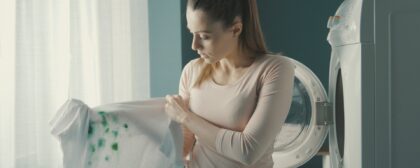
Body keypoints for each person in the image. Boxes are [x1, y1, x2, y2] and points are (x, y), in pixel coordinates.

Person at [164, 0, 295, 167]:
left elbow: (247, 151)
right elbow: (184, 146)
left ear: (236, 29)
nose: (194, 45)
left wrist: (185, 116)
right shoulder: (192, 70)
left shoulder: (275, 69)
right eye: (192, 33)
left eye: (204, 36)